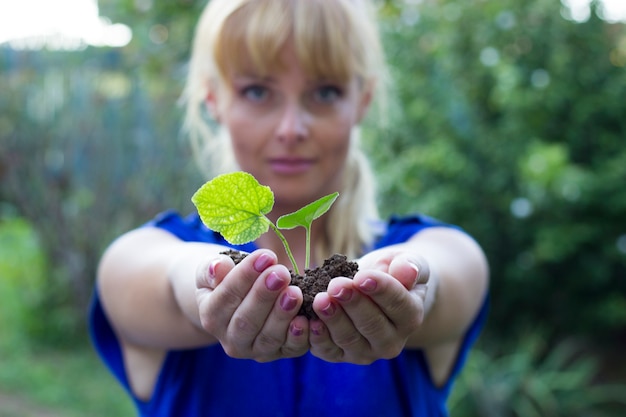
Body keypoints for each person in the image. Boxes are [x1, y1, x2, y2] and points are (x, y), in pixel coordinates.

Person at [89, 0, 490, 416]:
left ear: (362, 101)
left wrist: (407, 286)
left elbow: (446, 277)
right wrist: (208, 284)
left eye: (325, 92)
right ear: (214, 100)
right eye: (258, 91)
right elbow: (163, 276)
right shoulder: (142, 255)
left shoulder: (437, 246)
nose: (291, 129)